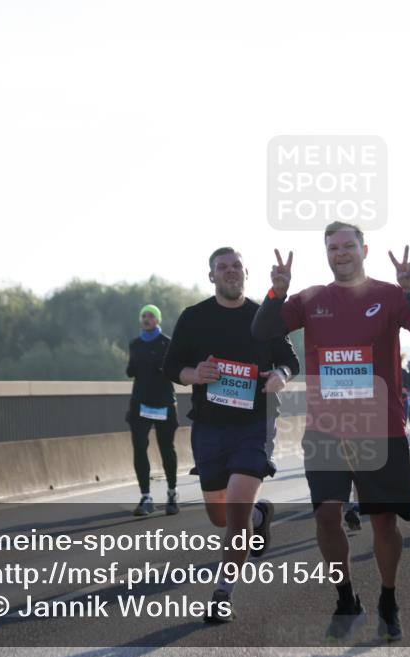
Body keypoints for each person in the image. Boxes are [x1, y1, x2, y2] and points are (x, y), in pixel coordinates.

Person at [253, 222, 410, 642]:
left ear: (364, 249)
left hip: (381, 427)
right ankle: (346, 597)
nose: (341, 253)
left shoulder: (389, 296)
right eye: (333, 247)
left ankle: (388, 598)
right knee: (326, 516)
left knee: (383, 523)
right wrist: (277, 292)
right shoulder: (310, 299)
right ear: (327, 253)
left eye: (348, 246)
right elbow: (262, 331)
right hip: (326, 429)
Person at [162, 248, 299, 623]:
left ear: (245, 273)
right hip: (209, 425)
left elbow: (290, 360)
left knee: (235, 511)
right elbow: (172, 367)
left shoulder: (263, 316)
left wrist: (280, 376)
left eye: (236, 266)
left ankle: (223, 593)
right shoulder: (194, 317)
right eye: (222, 268)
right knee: (220, 517)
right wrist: (196, 375)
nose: (230, 272)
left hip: (254, 424)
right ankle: (259, 515)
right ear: (212, 277)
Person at [126, 304, 179, 516]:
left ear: (157, 320)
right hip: (141, 403)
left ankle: (172, 494)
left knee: (167, 449)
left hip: (164, 402)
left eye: (150, 316)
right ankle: (146, 497)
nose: (146, 319)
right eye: (143, 316)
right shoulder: (135, 344)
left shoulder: (167, 343)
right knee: (139, 447)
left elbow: (174, 370)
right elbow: (130, 370)